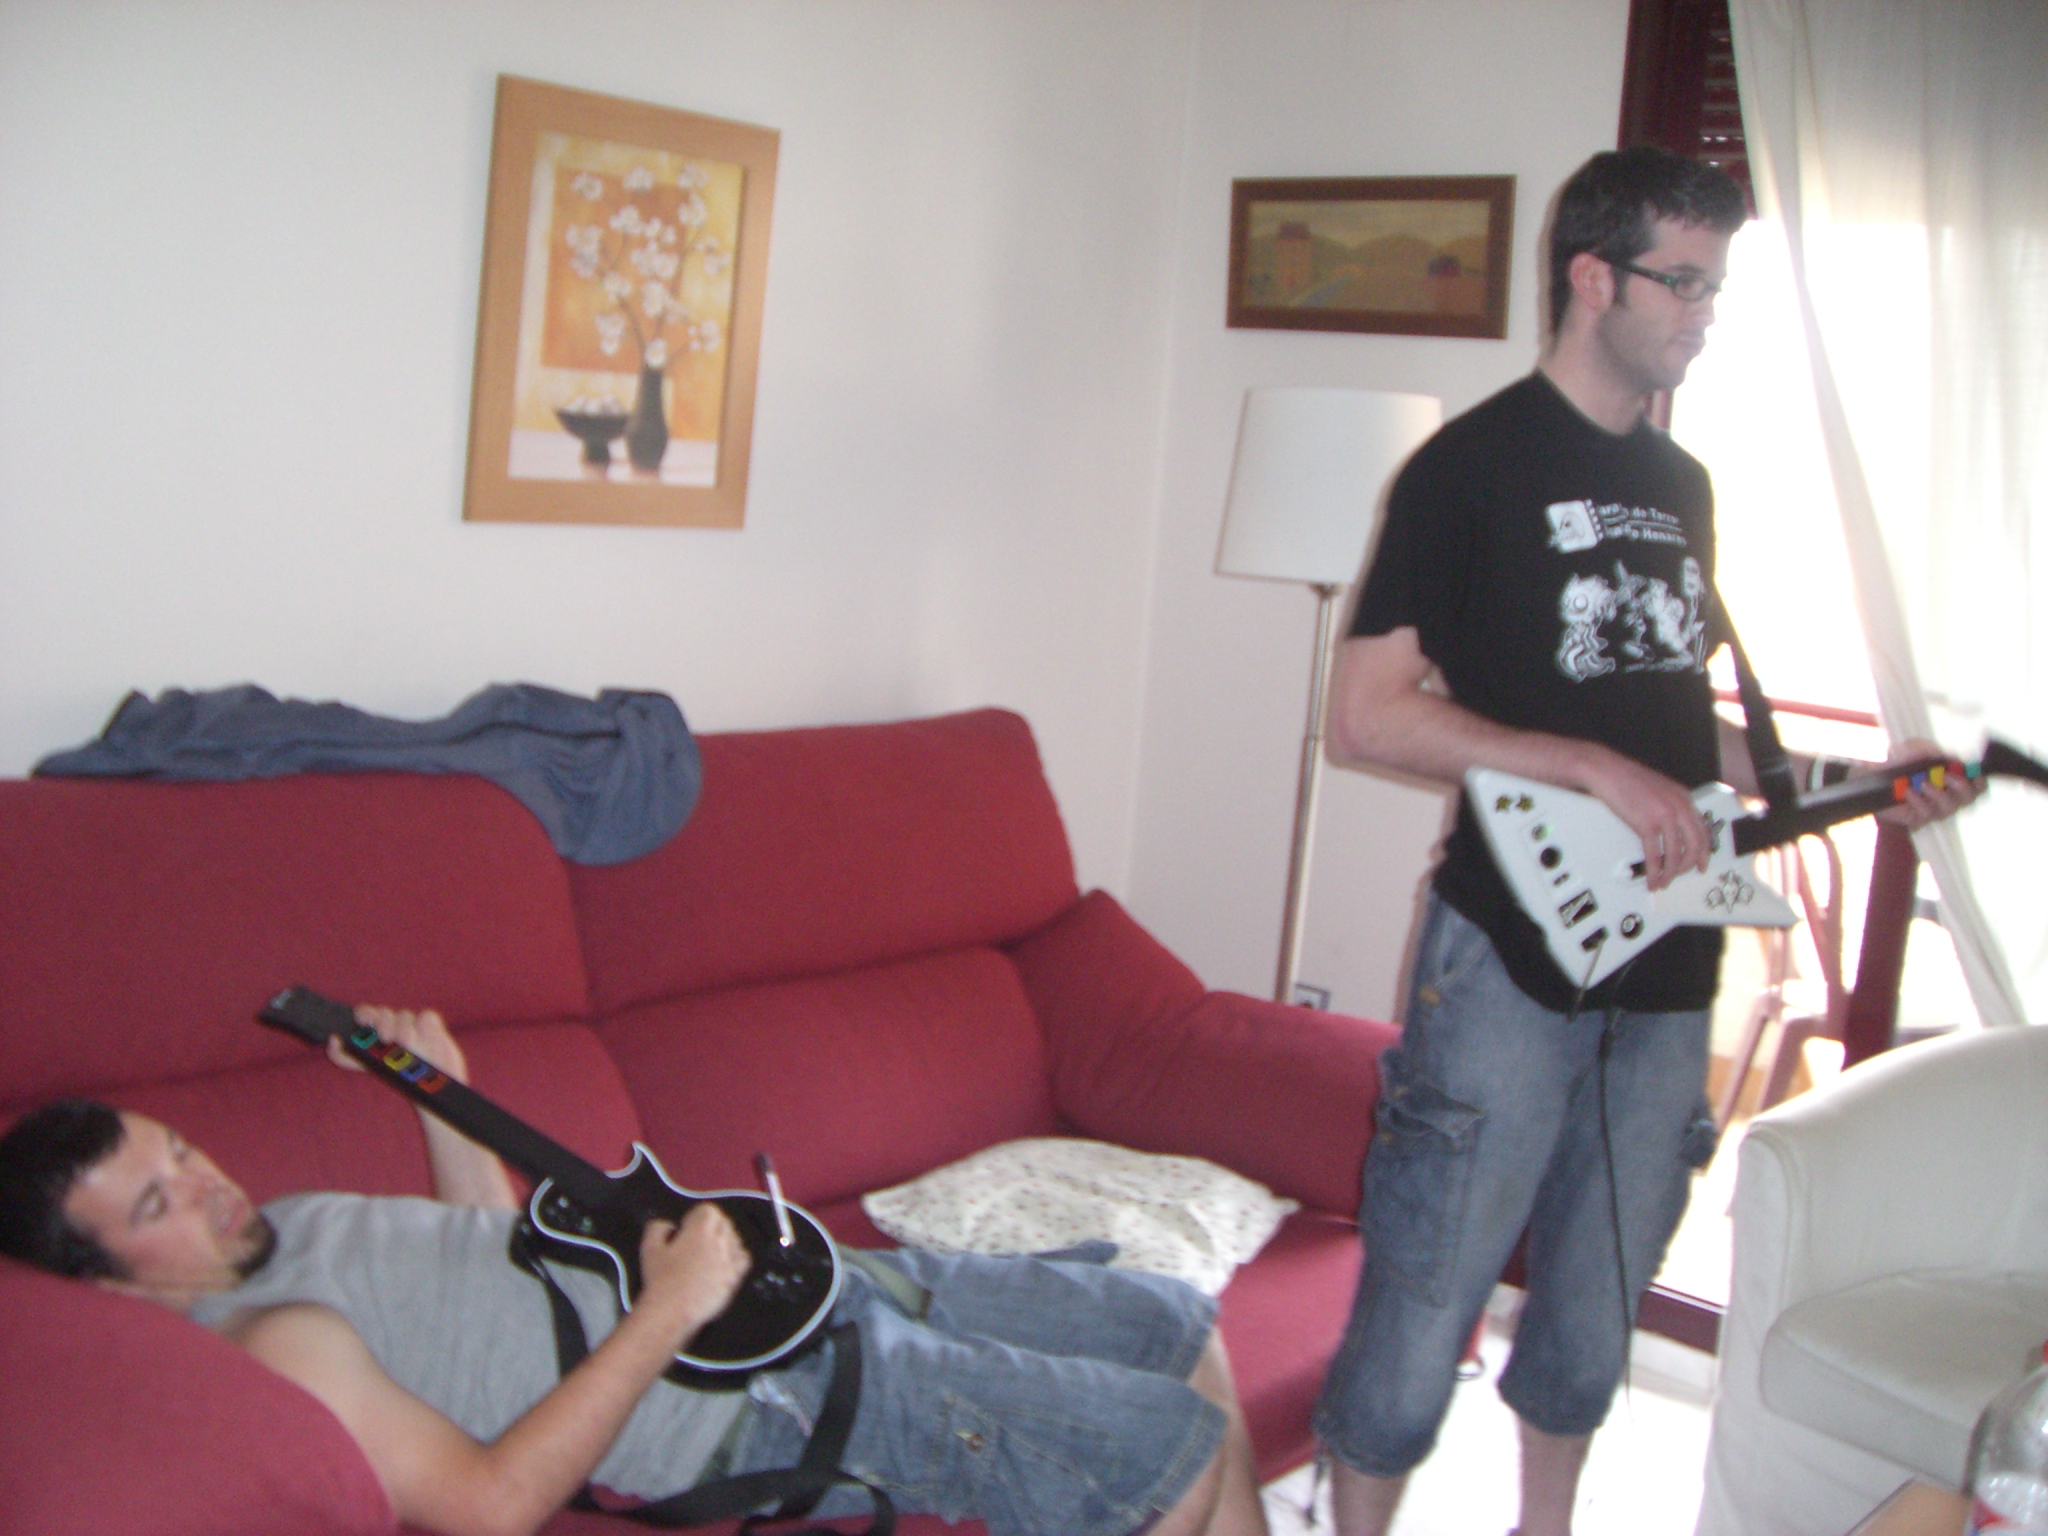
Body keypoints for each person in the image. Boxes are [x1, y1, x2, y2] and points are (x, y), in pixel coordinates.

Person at [1310, 145, 1981, 1536]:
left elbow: (1671, 724)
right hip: (1506, 956)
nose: (1703, 314)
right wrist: (1583, 764)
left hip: (1669, 960)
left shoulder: (1684, 483)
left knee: (1594, 1304)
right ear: (1592, 277)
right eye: (1682, 283)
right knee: (1426, 1285)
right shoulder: (1466, 468)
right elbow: (1367, 715)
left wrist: (1854, 780)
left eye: (1715, 287)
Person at [0, 1005, 1268, 1536]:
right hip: (742, 1398)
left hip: (785, 1285)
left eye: (180, 1150)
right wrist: (667, 1310)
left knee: (1170, 1316)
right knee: (1168, 1444)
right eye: (159, 1202)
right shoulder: (276, 1346)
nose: (207, 1182)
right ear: (103, 1282)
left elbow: (502, 1258)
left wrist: (444, 1102)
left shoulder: (285, 1222)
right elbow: (493, 1504)